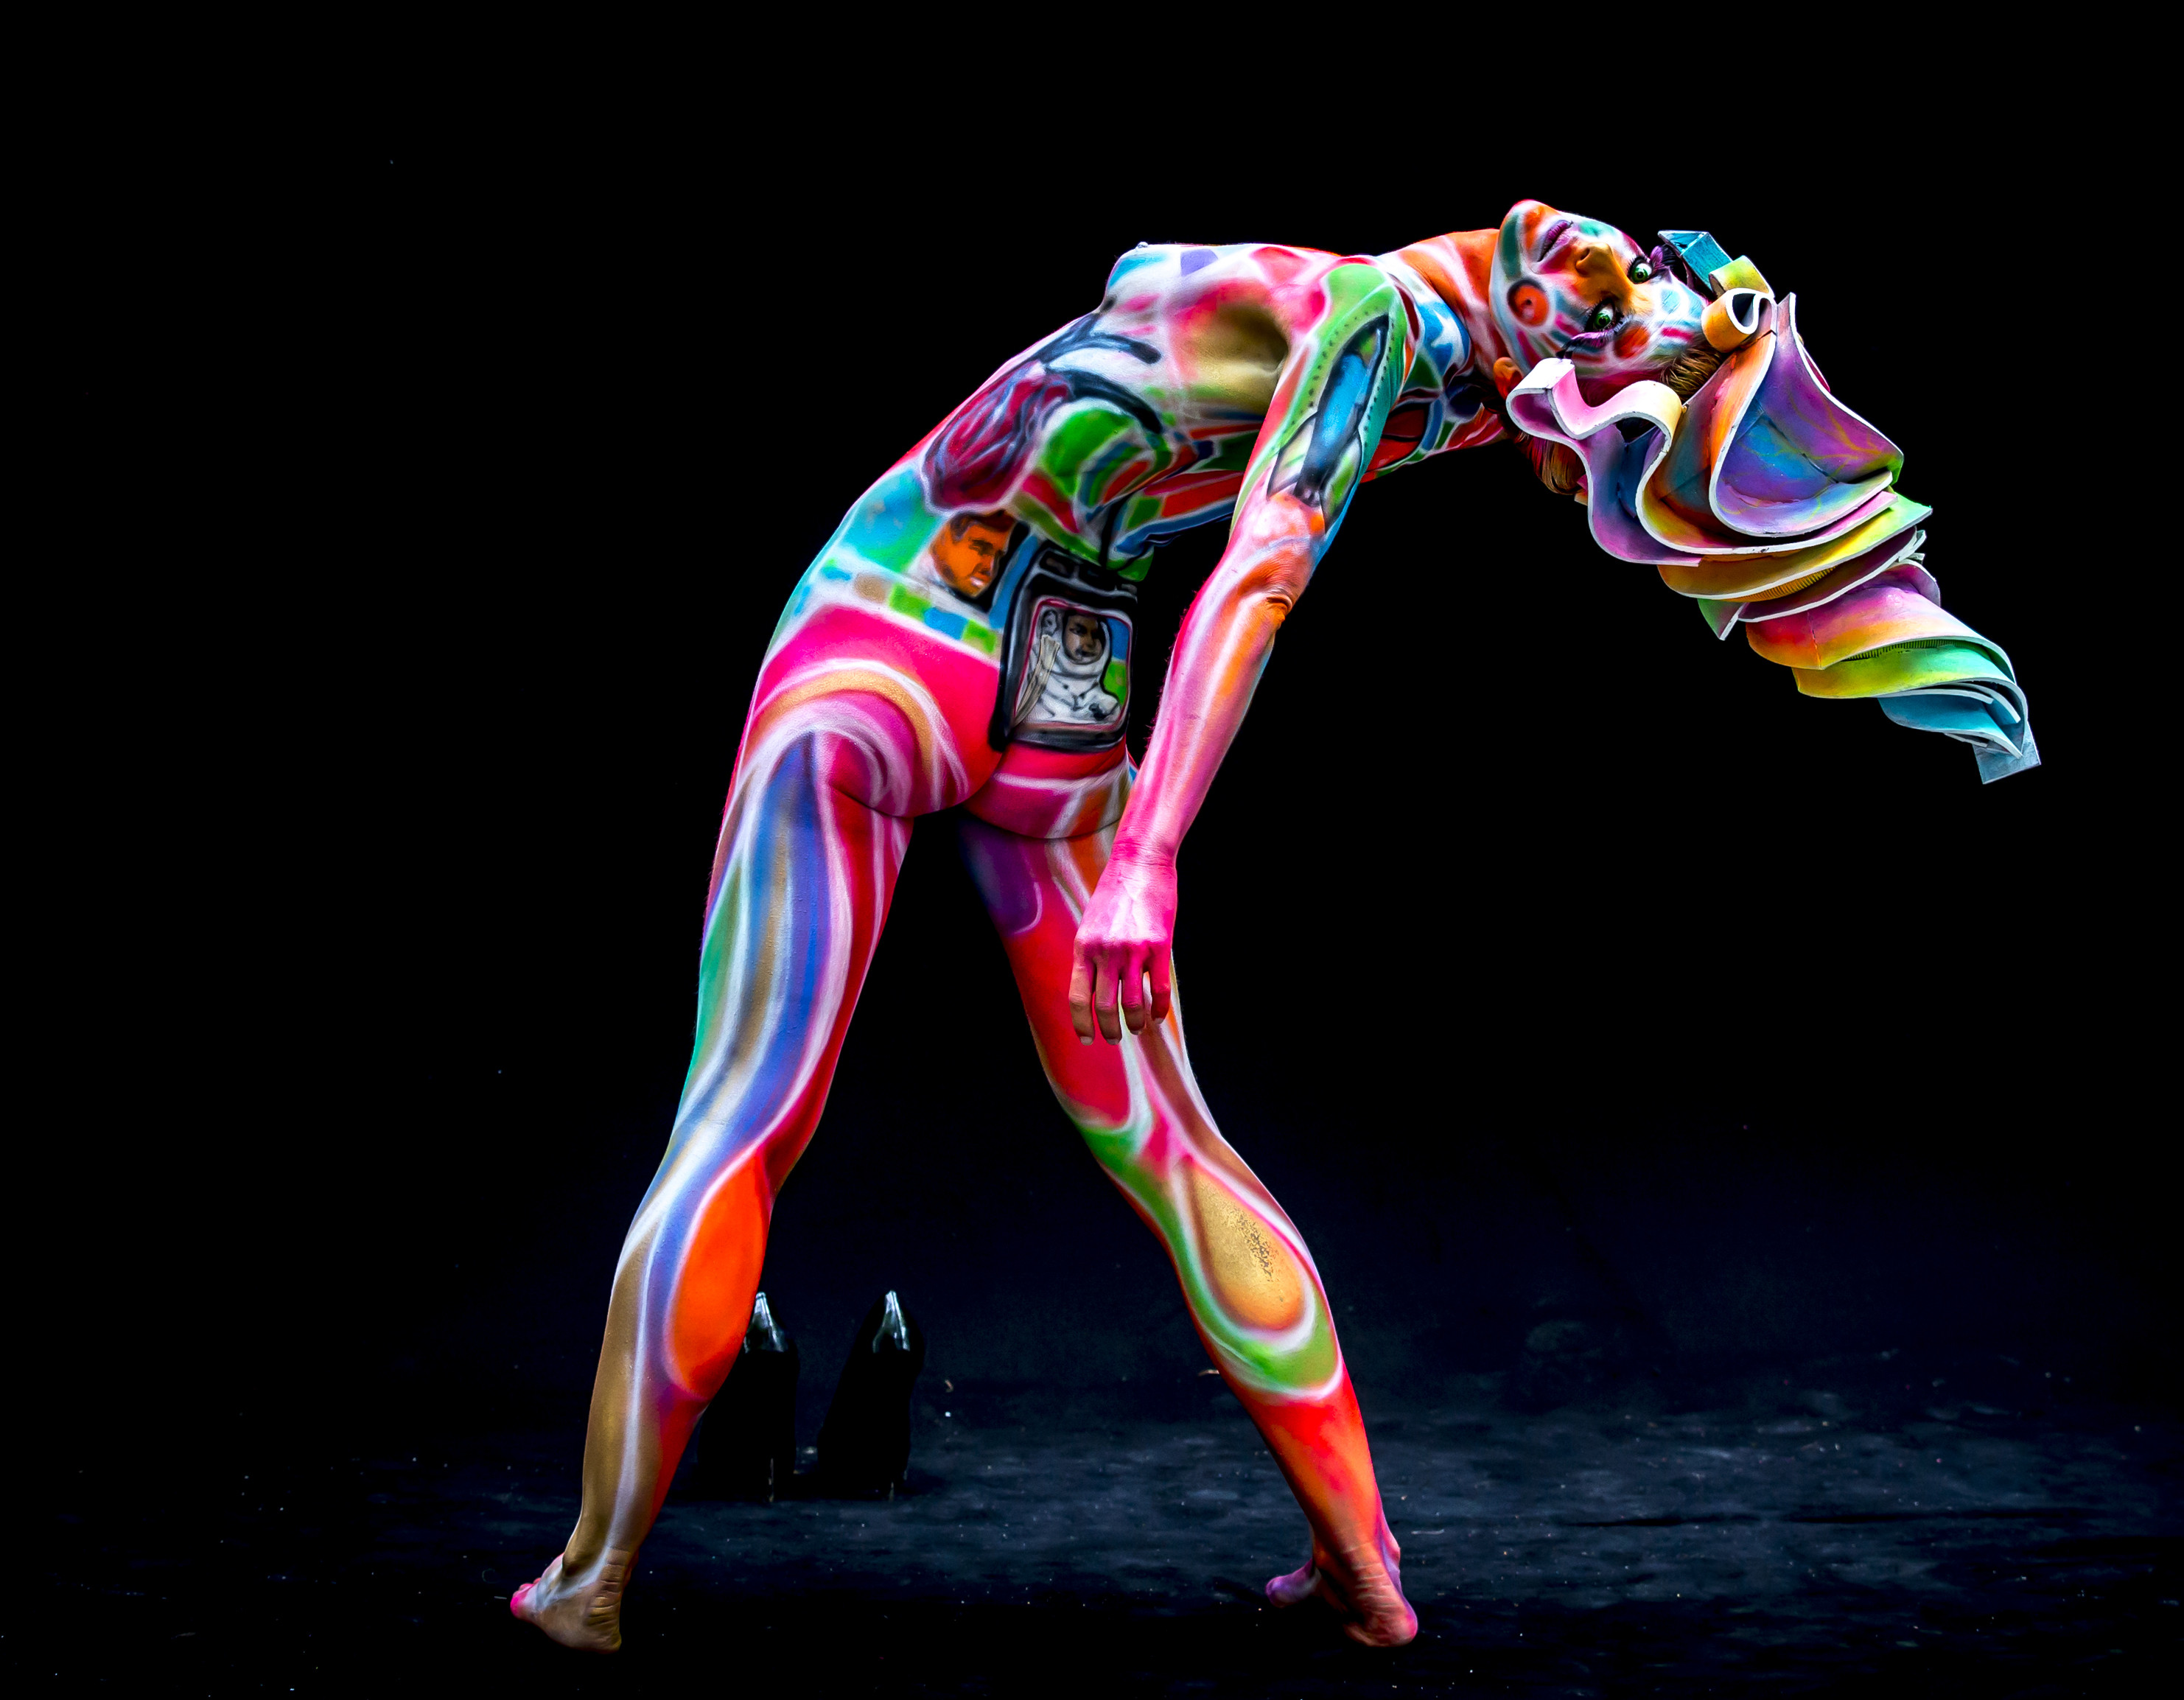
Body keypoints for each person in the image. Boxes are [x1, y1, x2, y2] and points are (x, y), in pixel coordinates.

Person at [509, 200, 2034, 1655]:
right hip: (1063, 686)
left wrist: (1149, 860)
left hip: (892, 639)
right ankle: (1362, 1578)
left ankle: (589, 1582)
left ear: (1562, 378)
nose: (1609, 262)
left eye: (1628, 297)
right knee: (1176, 1150)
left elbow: (1256, 575)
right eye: (1642, 265)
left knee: (741, 1120)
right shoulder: (1456, 382)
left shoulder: (1372, 322)